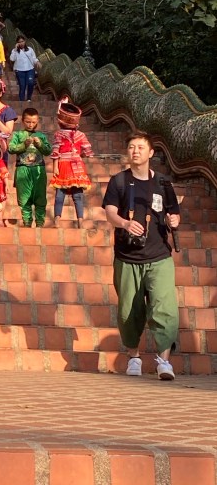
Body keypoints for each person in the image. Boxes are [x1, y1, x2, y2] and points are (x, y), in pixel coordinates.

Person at [103, 132, 181, 380]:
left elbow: (174, 214)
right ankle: (134, 356)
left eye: (140, 147)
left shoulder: (163, 183)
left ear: (151, 153)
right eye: (131, 147)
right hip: (127, 257)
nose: (135, 151)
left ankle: (164, 361)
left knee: (164, 308)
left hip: (159, 256)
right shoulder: (118, 181)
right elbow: (110, 212)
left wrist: (174, 220)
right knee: (129, 311)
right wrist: (125, 224)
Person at [50, 98, 93, 227]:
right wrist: (79, 155)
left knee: (60, 194)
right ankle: (80, 220)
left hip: (63, 165)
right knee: (77, 195)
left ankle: (57, 219)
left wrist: (55, 167)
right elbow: (87, 152)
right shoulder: (81, 135)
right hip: (77, 167)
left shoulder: (59, 134)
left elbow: (55, 152)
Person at [8, 108, 52, 226]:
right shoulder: (18, 135)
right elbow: (11, 148)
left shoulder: (41, 136)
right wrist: (24, 145)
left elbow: (48, 151)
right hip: (23, 169)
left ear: (37, 121)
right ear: (23, 121)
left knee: (40, 197)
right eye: (28, 122)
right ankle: (27, 222)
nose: (30, 124)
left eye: (33, 122)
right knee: (24, 198)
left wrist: (40, 144)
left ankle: (40, 223)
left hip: (38, 169)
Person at [9, 35, 39, 102]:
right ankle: (21, 100)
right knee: (22, 86)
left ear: (25, 41)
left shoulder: (30, 49)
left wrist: (37, 62)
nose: (21, 43)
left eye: (22, 41)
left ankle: (29, 98)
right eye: (19, 42)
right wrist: (15, 49)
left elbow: (34, 58)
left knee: (31, 83)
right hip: (19, 70)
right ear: (17, 43)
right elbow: (12, 59)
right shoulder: (15, 51)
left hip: (30, 69)